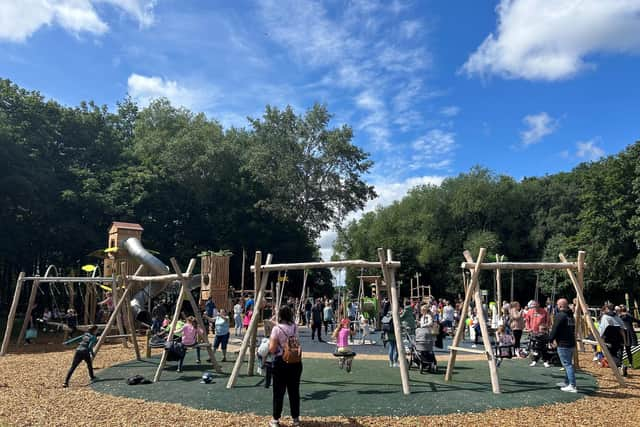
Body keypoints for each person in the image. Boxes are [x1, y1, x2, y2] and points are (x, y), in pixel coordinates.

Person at [269, 305, 302, 427]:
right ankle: (296, 419)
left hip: (281, 361)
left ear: (280, 316)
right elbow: (296, 341)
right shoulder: (294, 327)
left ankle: (275, 419)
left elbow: (272, 349)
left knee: (279, 391)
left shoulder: (276, 329)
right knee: (294, 391)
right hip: (295, 361)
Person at [549, 298, 577, 393]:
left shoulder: (560, 316)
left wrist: (550, 339)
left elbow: (555, 328)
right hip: (571, 342)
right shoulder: (570, 316)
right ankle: (567, 382)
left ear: (560, 306)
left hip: (563, 343)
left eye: (557, 305)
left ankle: (572, 385)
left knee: (567, 364)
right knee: (568, 363)